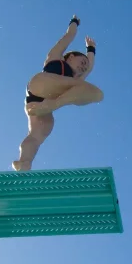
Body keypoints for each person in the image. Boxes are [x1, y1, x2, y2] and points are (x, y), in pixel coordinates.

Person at [12, 15, 103, 171]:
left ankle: (24, 163)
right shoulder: (55, 57)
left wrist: (91, 51)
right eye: (82, 62)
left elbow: (90, 68)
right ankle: (52, 104)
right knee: (79, 84)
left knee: (38, 134)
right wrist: (74, 23)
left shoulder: (75, 79)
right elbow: (69, 36)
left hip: (39, 104)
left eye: (84, 67)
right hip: (40, 85)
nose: (83, 67)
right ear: (71, 56)